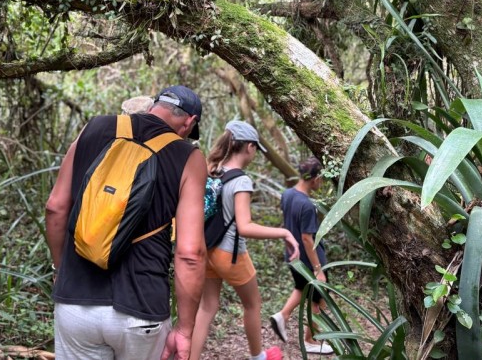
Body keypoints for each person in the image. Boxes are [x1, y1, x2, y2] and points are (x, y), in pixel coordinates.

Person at [45, 85, 208, 360]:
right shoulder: (189, 158)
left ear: (155, 105)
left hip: (76, 303)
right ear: (189, 122)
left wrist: (61, 269)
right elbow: (191, 253)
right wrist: (185, 330)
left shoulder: (94, 128)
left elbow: (55, 208)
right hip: (140, 310)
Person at [190, 120, 300, 360]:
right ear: (249, 147)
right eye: (255, 149)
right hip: (230, 254)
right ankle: (258, 356)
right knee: (253, 304)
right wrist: (284, 232)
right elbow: (245, 226)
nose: (255, 154)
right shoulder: (241, 181)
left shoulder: (212, 171)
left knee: (207, 307)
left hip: (207, 249)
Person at [269, 156, 334, 355]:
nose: (321, 183)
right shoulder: (307, 205)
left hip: (293, 256)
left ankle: (282, 316)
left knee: (300, 288)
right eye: (321, 179)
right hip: (308, 260)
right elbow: (307, 238)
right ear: (314, 179)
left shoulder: (287, 194)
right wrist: (318, 269)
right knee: (319, 299)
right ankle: (311, 340)